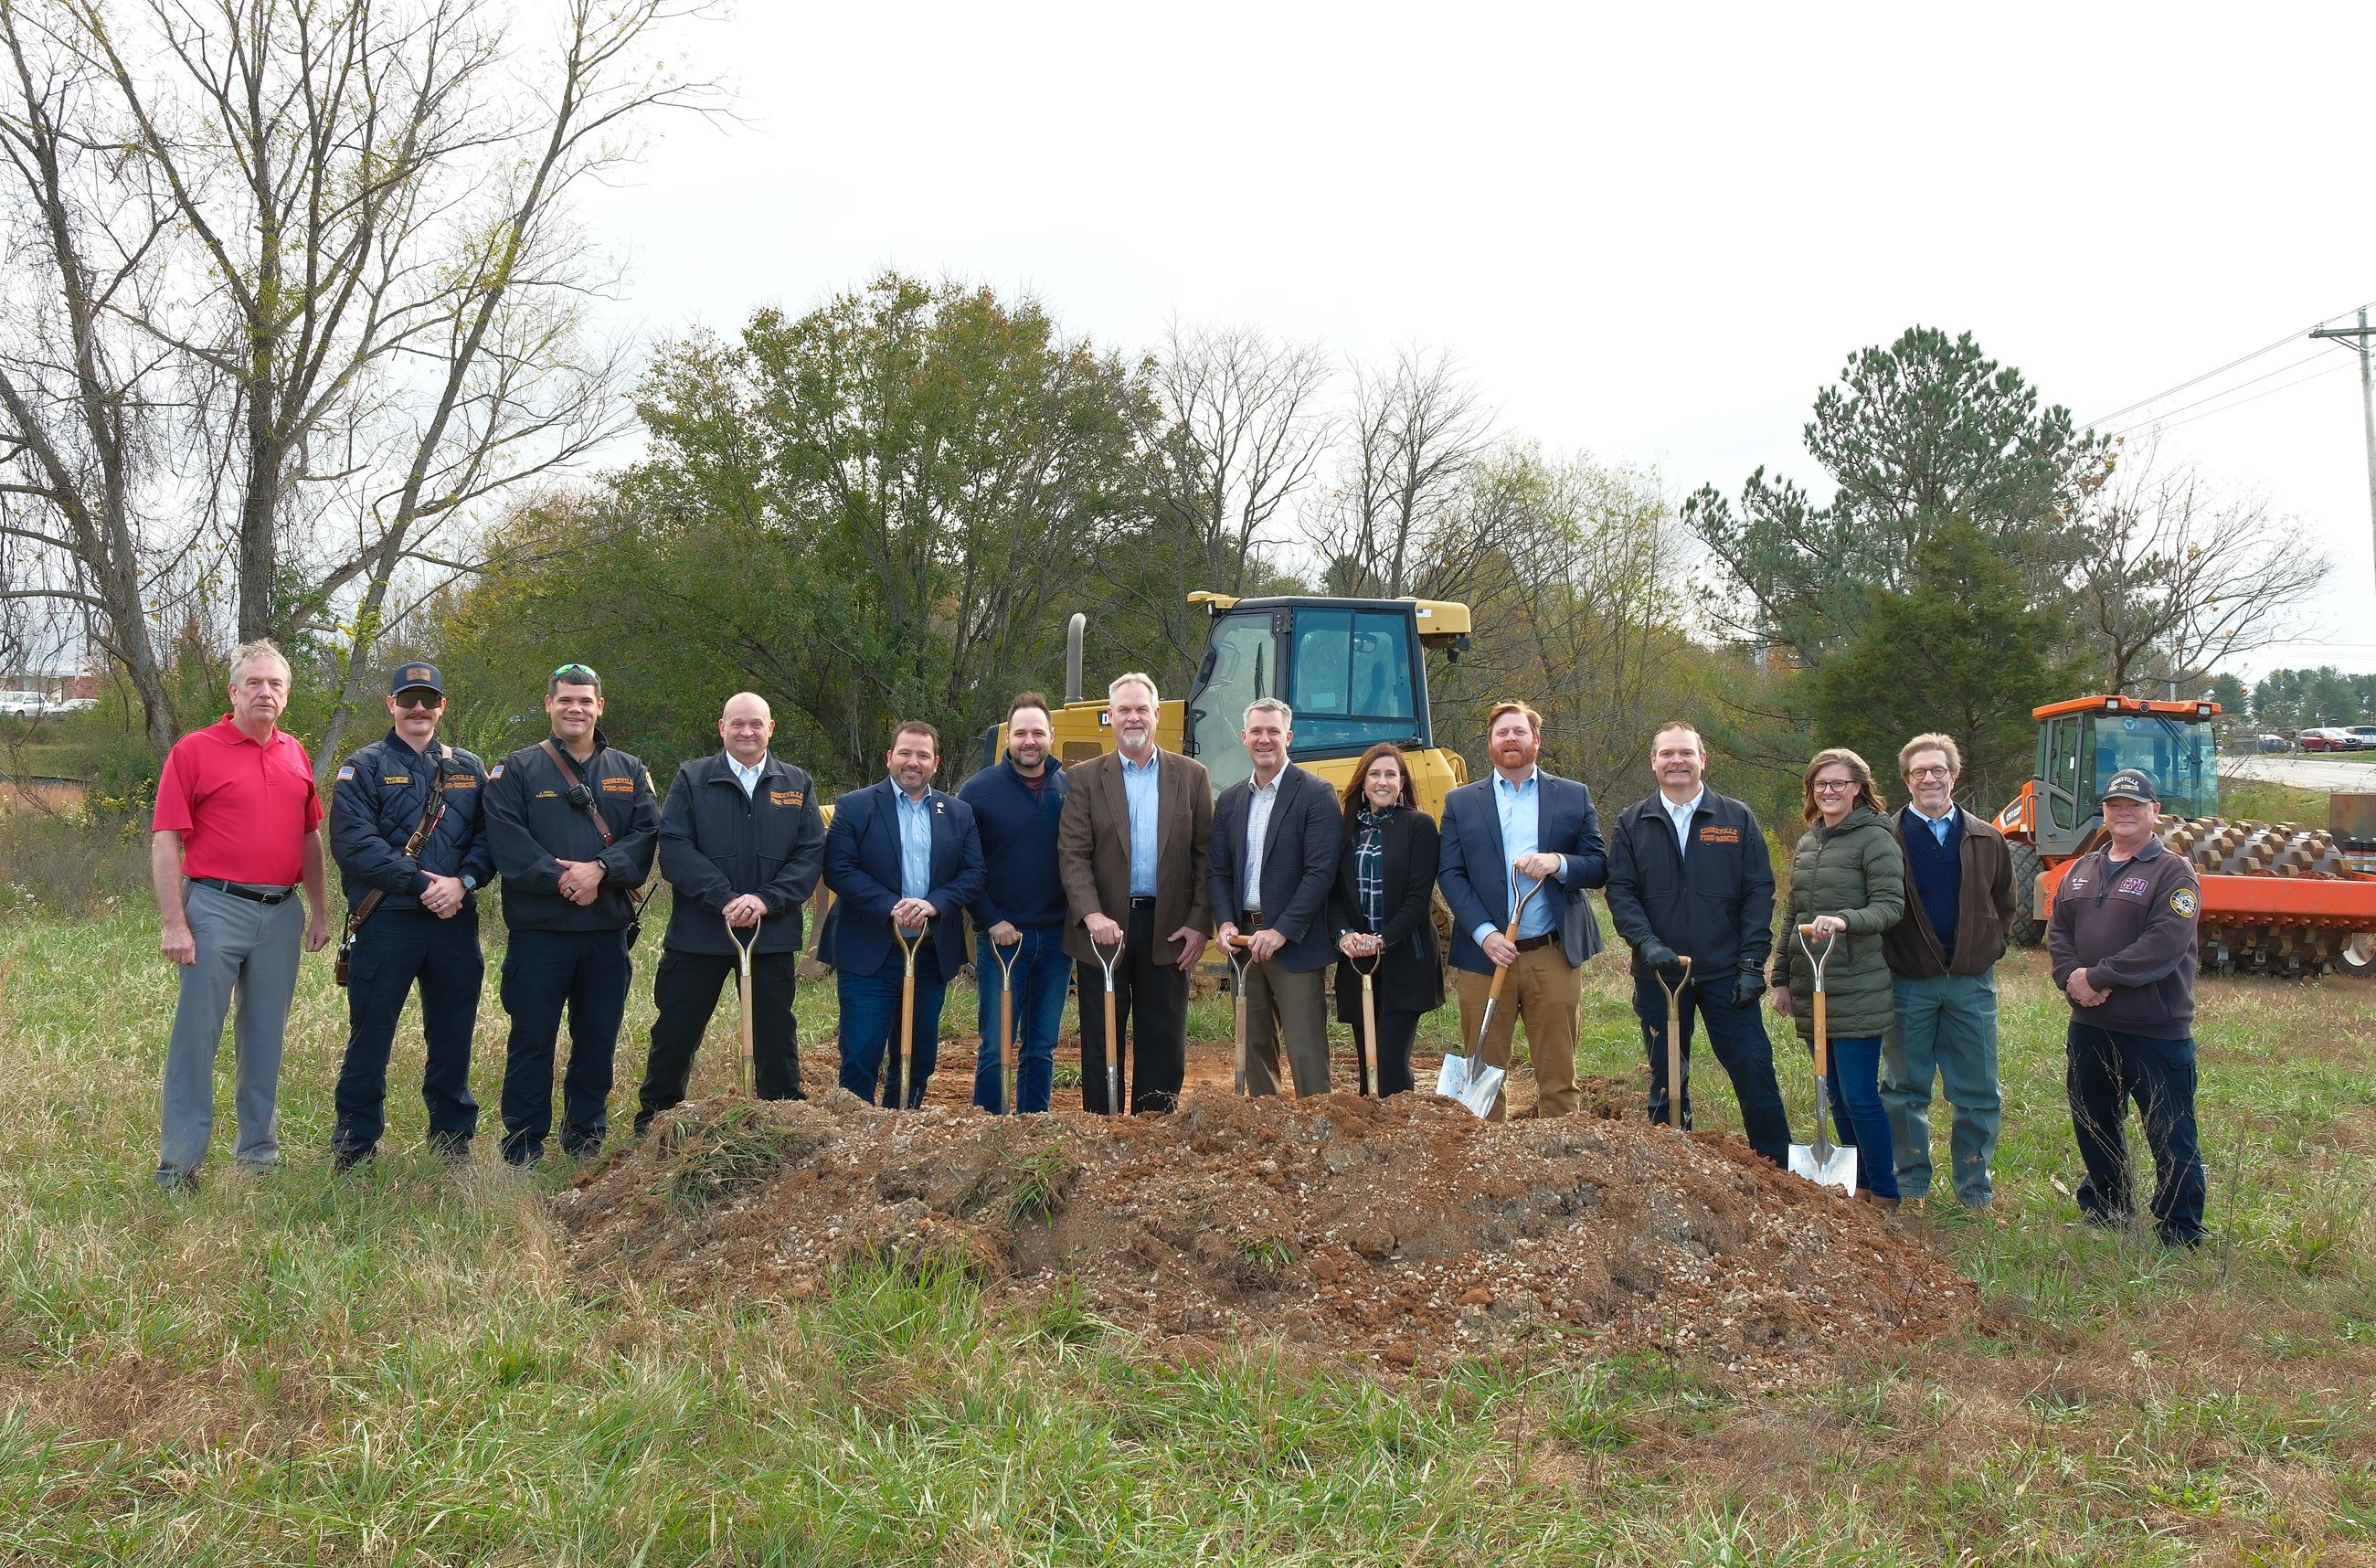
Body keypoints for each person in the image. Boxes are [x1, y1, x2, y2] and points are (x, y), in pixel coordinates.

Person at [150, 640, 333, 1189]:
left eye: (275, 684)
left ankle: (257, 1154)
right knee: (195, 1038)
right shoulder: (195, 750)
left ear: (287, 695)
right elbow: (165, 841)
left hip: (281, 914)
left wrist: (320, 910)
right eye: (254, 683)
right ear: (233, 691)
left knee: (266, 1037)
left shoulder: (295, 753)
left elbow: (310, 838)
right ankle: (179, 1165)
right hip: (214, 909)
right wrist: (174, 922)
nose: (265, 692)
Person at [483, 663, 658, 1165]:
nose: (575, 709)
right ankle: (523, 1146)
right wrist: (564, 879)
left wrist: (599, 870)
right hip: (540, 935)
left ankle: (585, 1139)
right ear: (548, 705)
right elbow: (505, 838)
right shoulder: (516, 769)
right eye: (565, 700)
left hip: (605, 933)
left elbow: (647, 835)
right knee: (531, 1041)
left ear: (600, 707)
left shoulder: (629, 770)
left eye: (585, 701)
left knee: (597, 1039)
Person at [326, 662, 493, 1171]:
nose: (417, 708)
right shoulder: (364, 766)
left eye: (428, 699)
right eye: (408, 698)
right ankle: (355, 1147)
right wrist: (423, 883)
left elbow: (492, 838)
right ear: (391, 706)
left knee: (452, 1036)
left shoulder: (469, 767)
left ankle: (452, 1141)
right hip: (386, 922)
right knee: (370, 1036)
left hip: (454, 923)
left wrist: (462, 883)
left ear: (441, 706)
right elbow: (355, 845)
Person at [1602, 721, 1793, 1167]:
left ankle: (1778, 1168)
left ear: (1702, 760)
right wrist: (1646, 944)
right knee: (1668, 1075)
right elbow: (1621, 891)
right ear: (1653, 763)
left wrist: (1751, 964)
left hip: (1727, 973)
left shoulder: (1734, 817)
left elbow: (1758, 892)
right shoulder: (1633, 823)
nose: (1677, 761)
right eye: (1667, 754)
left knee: (1753, 1068)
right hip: (1661, 974)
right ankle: (1672, 1171)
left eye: (1686, 753)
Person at [634, 692, 825, 1136]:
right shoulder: (693, 778)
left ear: (770, 728)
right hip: (699, 933)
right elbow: (675, 848)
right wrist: (724, 898)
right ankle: (656, 1124)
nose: (746, 732)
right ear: (722, 728)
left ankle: (782, 1124)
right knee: (676, 1032)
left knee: (774, 1037)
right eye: (737, 724)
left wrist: (765, 900)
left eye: (756, 724)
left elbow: (810, 853)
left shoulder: (795, 784)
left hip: (769, 934)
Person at [2047, 767, 2207, 1246]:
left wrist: (2097, 976)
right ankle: (2107, 1207)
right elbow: (2058, 932)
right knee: (2094, 1120)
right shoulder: (2081, 869)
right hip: (2090, 1025)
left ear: (2154, 812)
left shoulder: (2173, 872)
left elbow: (2164, 942)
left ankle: (2180, 1226)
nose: (2124, 812)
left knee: (2169, 1128)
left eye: (2135, 805)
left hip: (2155, 1029)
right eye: (2116, 805)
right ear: (2105, 811)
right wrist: (2070, 979)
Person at [1437, 700, 1607, 1121]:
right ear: (1490, 744)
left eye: (1519, 731)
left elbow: (1600, 864)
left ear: (1536, 741)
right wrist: (1484, 933)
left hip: (1551, 951)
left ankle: (1560, 1157)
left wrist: (1559, 863)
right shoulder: (1460, 802)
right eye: (1501, 733)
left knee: (1557, 1073)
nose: (1510, 739)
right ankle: (1490, 1162)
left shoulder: (1571, 795)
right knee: (1484, 1070)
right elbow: (1450, 873)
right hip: (1484, 957)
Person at [1056, 672, 1212, 1115]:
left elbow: (1206, 857)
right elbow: (1072, 853)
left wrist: (1199, 923)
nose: (1133, 717)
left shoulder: (1192, 777)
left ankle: (1152, 1135)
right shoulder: (1084, 778)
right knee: (1100, 1037)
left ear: (1157, 715)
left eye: (1142, 708)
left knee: (1163, 1037)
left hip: (1170, 930)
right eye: (1123, 709)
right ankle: (1102, 1131)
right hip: (1104, 929)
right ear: (1110, 717)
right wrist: (1091, 915)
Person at [817, 722, 984, 1108]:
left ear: (936, 763)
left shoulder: (958, 813)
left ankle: (900, 1136)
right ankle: (855, 1143)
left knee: (918, 1058)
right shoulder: (855, 806)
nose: (913, 762)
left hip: (929, 953)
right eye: (905, 753)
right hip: (870, 952)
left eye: (923, 755)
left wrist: (933, 904)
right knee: (861, 1055)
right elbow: (839, 869)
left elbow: (974, 874)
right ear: (889, 757)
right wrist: (892, 906)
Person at [1881, 733, 2014, 1208]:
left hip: (1969, 985)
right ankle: (1911, 1184)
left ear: (1954, 776)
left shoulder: (1987, 838)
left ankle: (1974, 1191)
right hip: (1906, 983)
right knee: (1903, 1089)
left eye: (1939, 770)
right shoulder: (1885, 837)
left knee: (1977, 1091)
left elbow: (2005, 903)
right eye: (1919, 772)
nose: (1929, 778)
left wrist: (1985, 949)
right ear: (1907, 780)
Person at [1770, 747, 1905, 1206]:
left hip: (1857, 985)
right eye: (1820, 784)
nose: (1828, 791)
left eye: (1838, 784)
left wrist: (1845, 919)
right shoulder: (1810, 842)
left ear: (1859, 789)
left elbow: (1891, 905)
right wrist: (1782, 978)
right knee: (1837, 1098)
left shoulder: (1875, 838)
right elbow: (1794, 913)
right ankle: (1859, 1182)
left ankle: (1885, 1193)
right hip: (1814, 984)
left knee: (1860, 1096)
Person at [1210, 699, 1342, 1097]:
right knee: (1253, 1045)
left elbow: (1320, 873)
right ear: (1244, 737)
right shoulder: (1231, 801)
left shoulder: (1316, 794)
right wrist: (1225, 922)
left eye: (1273, 732)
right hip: (1244, 942)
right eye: (1256, 732)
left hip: (1295, 944)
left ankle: (1316, 1134)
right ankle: (1268, 1133)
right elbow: (1218, 870)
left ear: (1287, 737)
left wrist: (1282, 930)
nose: (1264, 739)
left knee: (1305, 1048)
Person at [958, 694, 1070, 1114]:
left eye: (1038, 732)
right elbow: (965, 866)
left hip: (1057, 940)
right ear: (1008, 737)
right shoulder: (978, 791)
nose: (1030, 741)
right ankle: (987, 1127)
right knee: (997, 1041)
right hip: (1004, 939)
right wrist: (991, 920)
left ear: (1051, 738)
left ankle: (1033, 1125)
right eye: (1021, 732)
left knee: (1041, 1044)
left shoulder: (1067, 787)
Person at [1328, 742, 1443, 1097]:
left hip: (1406, 961)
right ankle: (1370, 1138)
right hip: (1358, 963)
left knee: (1391, 1063)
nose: (1382, 781)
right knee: (1368, 1065)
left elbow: (1417, 899)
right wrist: (1345, 934)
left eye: (1390, 774)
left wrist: (1381, 940)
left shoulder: (1419, 826)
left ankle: (1399, 1135)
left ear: (1402, 782)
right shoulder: (1345, 829)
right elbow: (1333, 894)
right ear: (1362, 782)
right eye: (1374, 774)